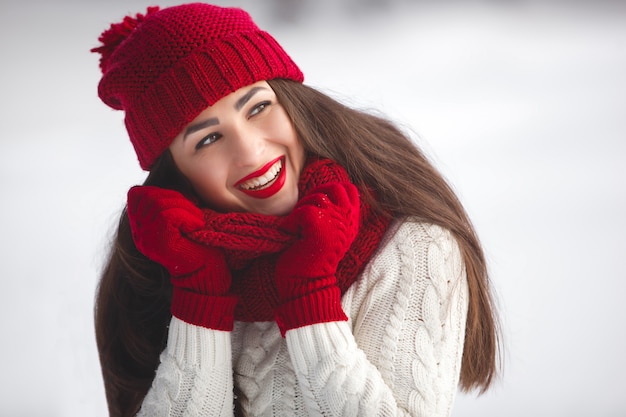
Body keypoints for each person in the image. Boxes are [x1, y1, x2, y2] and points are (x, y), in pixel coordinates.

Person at [92, 3, 501, 417]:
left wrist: (310, 298)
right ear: (176, 175)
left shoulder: (409, 244)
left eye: (257, 107)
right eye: (208, 139)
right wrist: (199, 298)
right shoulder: (161, 262)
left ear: (292, 100)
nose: (251, 152)